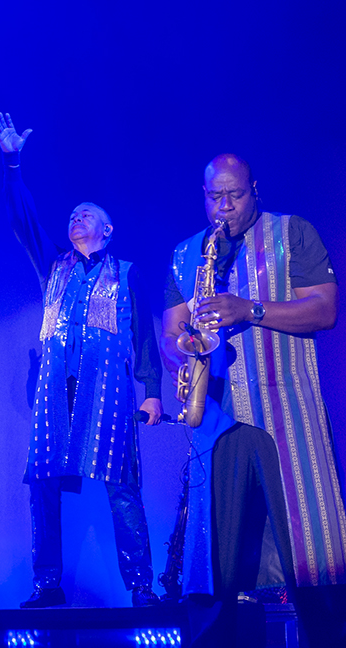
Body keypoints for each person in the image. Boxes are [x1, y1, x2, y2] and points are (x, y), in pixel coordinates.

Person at [161, 154, 346, 647]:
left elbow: (325, 309)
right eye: (213, 197)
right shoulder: (185, 254)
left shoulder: (294, 233)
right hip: (216, 421)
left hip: (289, 413)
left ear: (254, 190)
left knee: (313, 556)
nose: (223, 206)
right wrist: (182, 352)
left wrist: (250, 309)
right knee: (212, 569)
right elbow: (170, 331)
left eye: (234, 195)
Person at [0, 112, 163, 608]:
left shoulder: (127, 274)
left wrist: (151, 393)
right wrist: (12, 165)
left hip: (107, 392)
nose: (75, 220)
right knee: (42, 484)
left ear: (108, 230)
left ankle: (140, 587)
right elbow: (22, 219)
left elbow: (145, 340)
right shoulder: (53, 266)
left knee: (122, 487)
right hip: (57, 395)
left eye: (85, 215)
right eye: (71, 216)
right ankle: (47, 586)